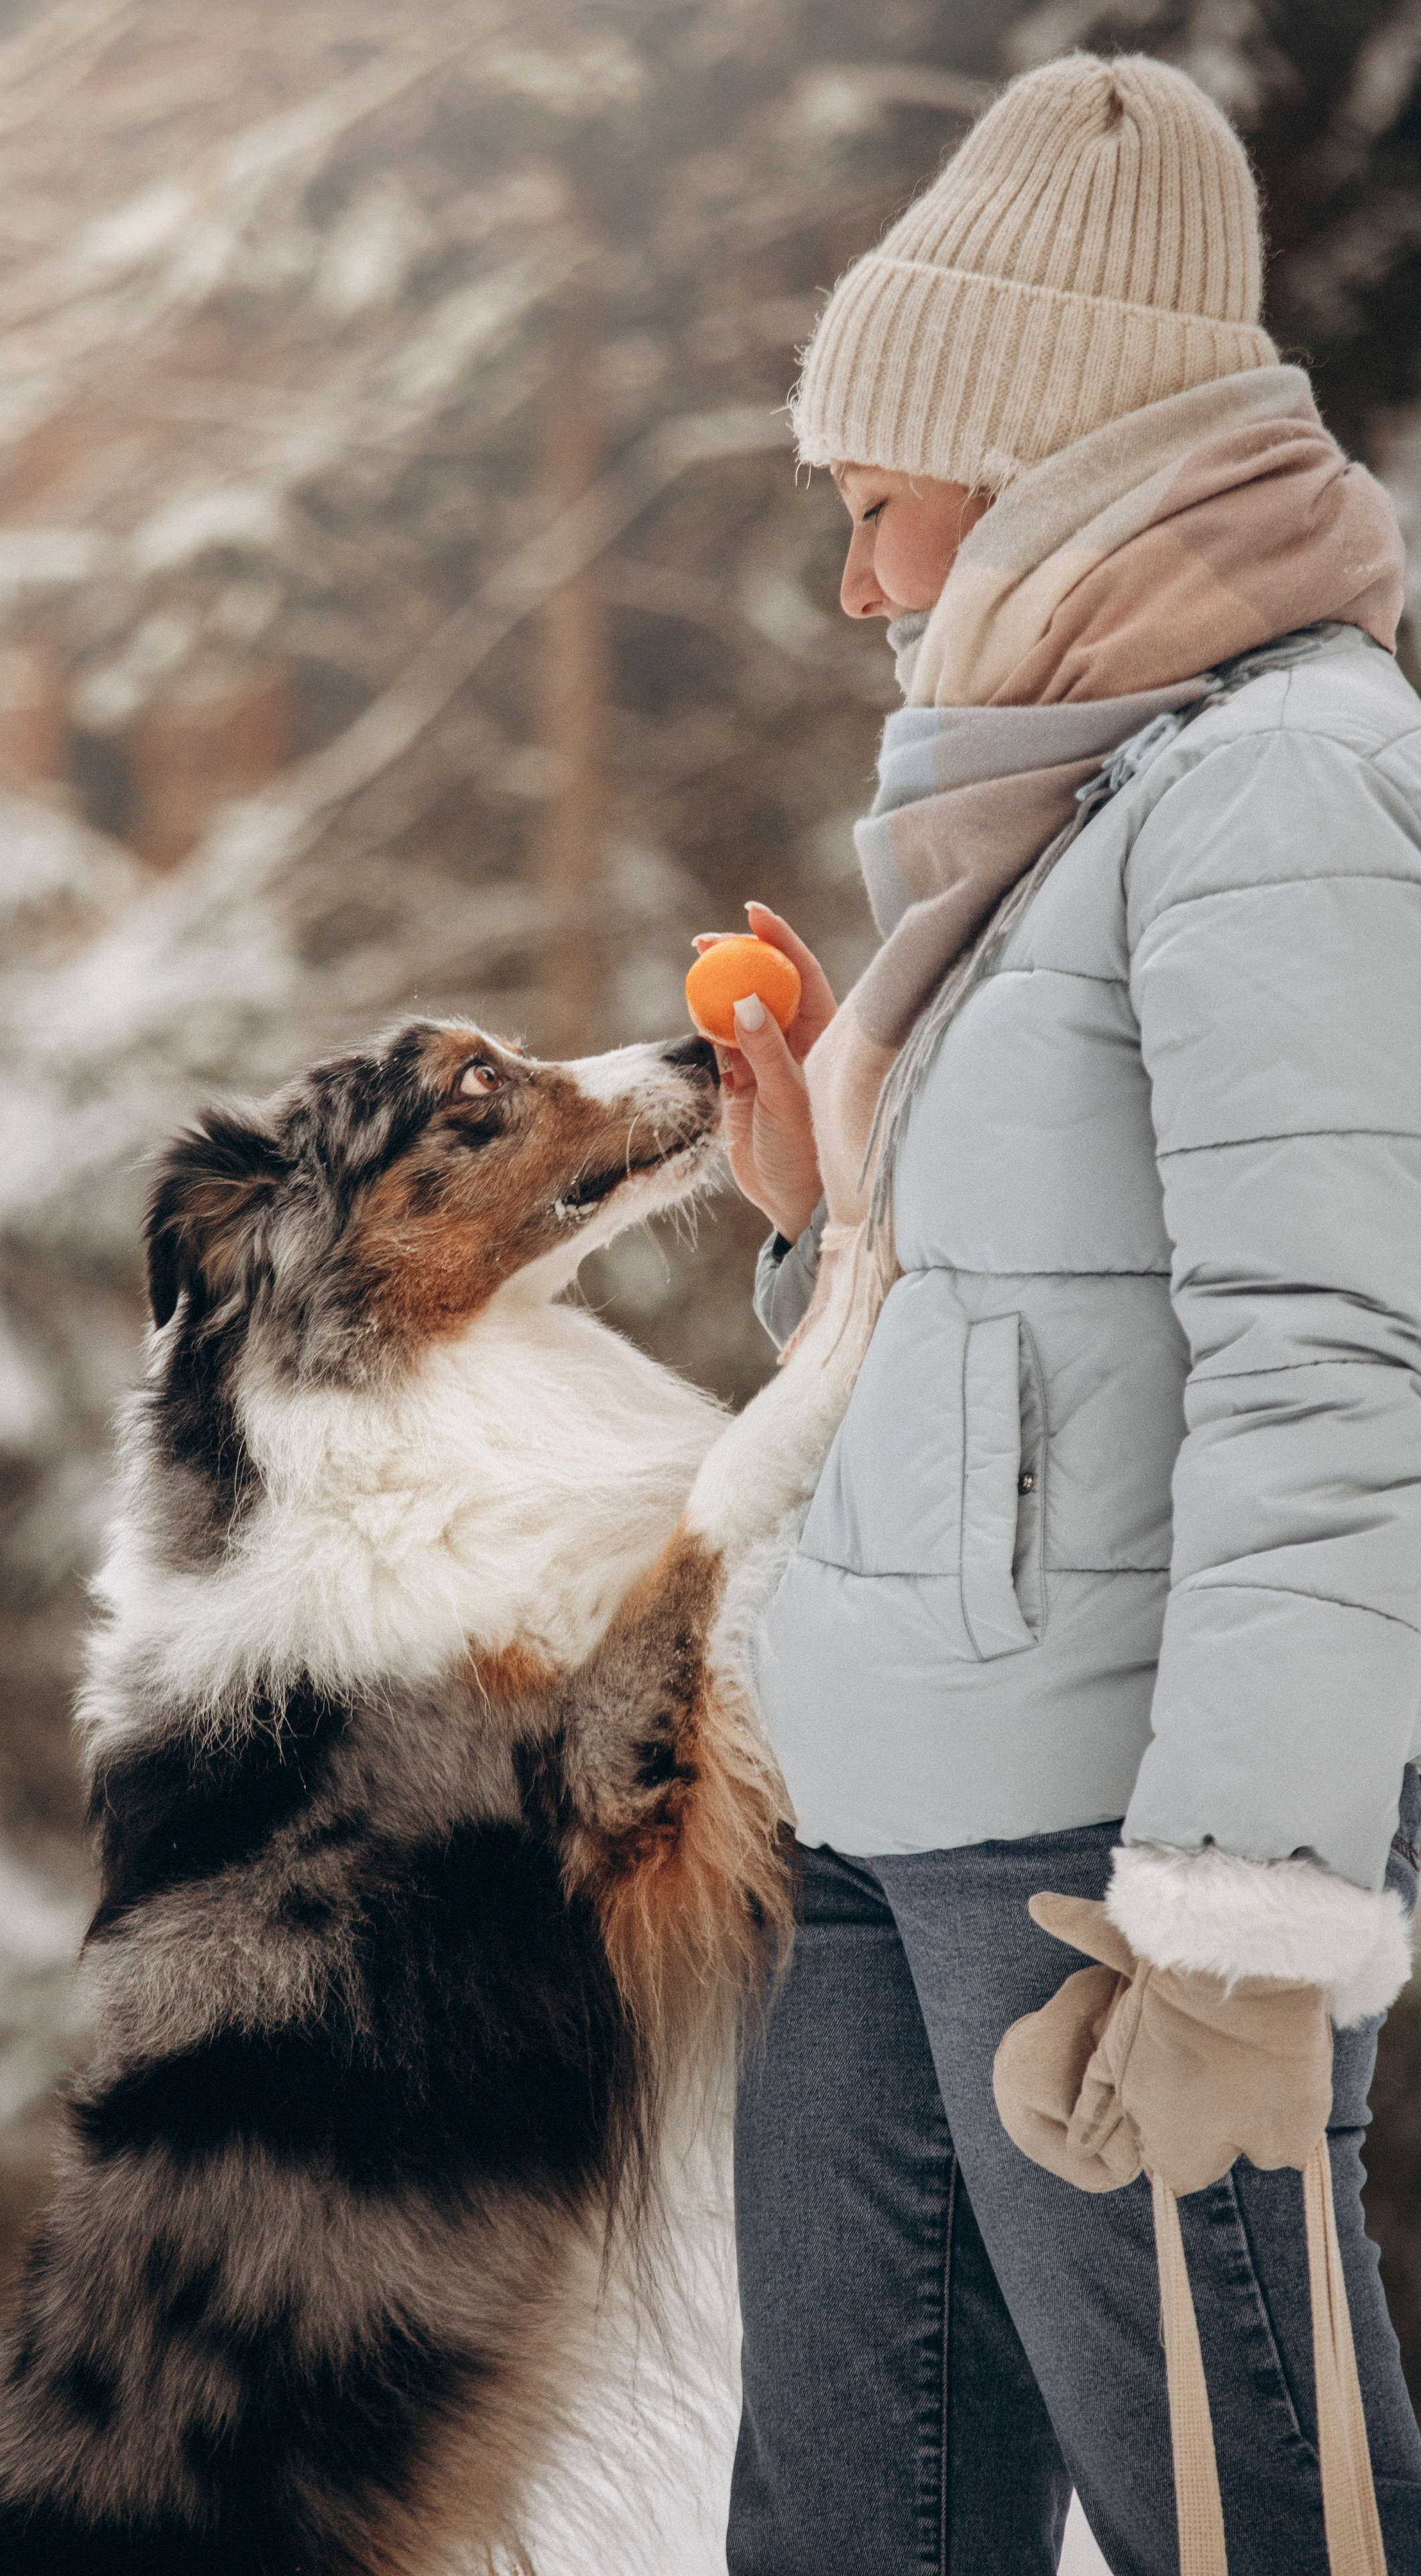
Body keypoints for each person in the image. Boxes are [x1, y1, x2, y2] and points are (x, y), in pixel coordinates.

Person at [709, 51, 1421, 2575]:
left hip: (1107, 1859)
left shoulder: (1285, 786)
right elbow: (1044, 1344)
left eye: (873, 504)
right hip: (869, 1826)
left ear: (1032, 465)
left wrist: (1233, 1928)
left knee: (1251, 2524)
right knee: (845, 2538)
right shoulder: (1084, 799)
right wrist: (826, 1218)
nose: (858, 582)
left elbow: (1339, 1368)